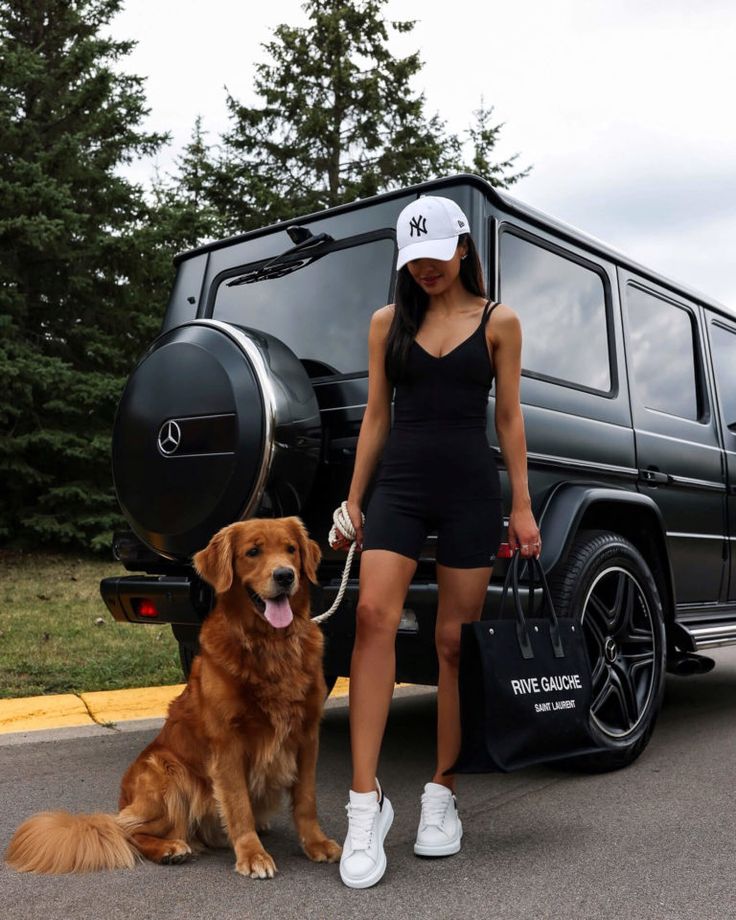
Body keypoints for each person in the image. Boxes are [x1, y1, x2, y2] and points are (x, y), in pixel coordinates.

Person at [336, 195, 541, 889]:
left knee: (455, 642)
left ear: (462, 250)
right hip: (400, 485)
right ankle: (366, 803)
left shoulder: (498, 322)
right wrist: (354, 500)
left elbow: (509, 418)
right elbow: (374, 416)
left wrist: (521, 503)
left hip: (469, 493)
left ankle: (441, 794)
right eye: (412, 258)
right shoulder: (387, 322)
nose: (424, 268)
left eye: (434, 255)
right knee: (372, 620)